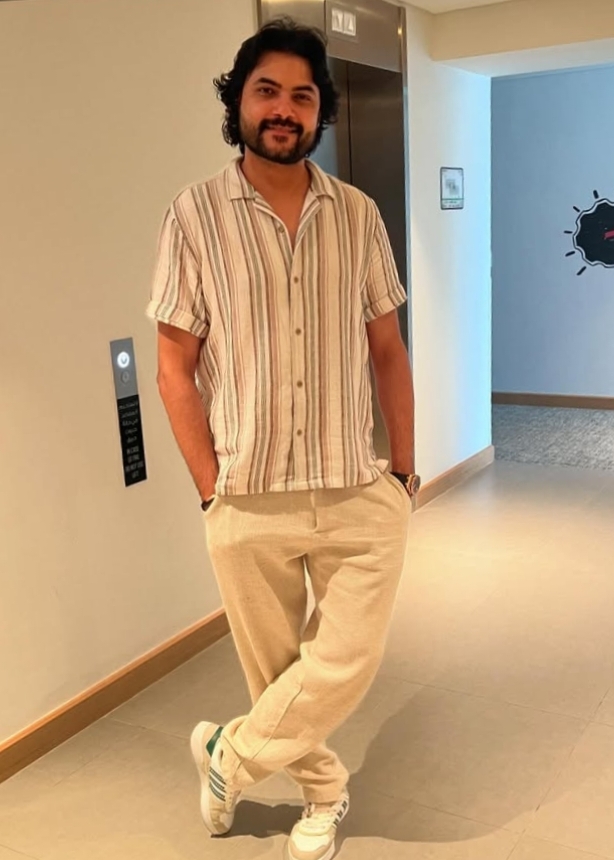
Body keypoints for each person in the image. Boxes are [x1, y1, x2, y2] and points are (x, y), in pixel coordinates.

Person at [147, 17, 420, 860]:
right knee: (276, 674)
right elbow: (173, 365)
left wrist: (404, 472)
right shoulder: (194, 215)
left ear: (319, 111)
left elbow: (387, 349)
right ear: (239, 102)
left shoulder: (358, 214)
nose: (284, 109)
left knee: (342, 662)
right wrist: (209, 487)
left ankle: (227, 755)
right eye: (267, 90)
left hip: (355, 484)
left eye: (302, 95)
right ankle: (323, 794)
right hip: (248, 492)